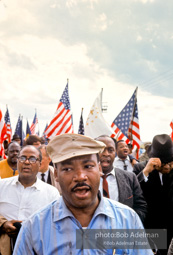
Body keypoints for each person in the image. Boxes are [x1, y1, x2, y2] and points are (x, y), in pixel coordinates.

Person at [14, 134, 153, 255]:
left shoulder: (128, 219)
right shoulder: (34, 227)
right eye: (68, 169)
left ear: (99, 168)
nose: (80, 177)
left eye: (88, 166)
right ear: (56, 174)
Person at [0, 145, 60, 255]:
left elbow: (56, 227)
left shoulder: (51, 193)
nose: (26, 162)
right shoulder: (2, 186)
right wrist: (3, 224)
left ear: (40, 164)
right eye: (22, 158)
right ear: (17, 161)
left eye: (32, 159)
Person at [133, 134, 173, 255]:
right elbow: (132, 192)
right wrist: (145, 172)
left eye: (169, 162)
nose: (166, 166)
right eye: (163, 162)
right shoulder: (140, 168)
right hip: (150, 228)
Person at [96, 135, 147, 223]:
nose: (106, 154)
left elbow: (141, 207)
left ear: (115, 152)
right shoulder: (85, 179)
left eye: (110, 150)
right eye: (101, 150)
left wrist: (128, 223)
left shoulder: (130, 178)